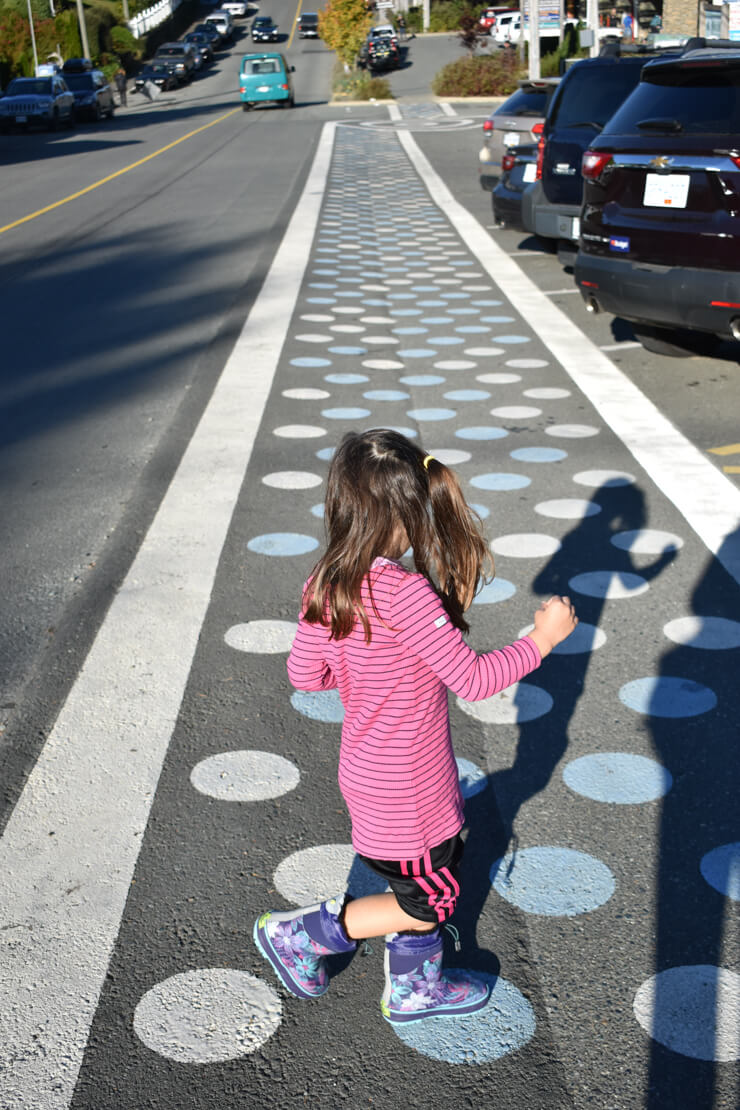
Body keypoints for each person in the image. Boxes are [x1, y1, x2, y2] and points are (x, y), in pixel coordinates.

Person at [253, 429, 577, 1024]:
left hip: (367, 771)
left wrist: (364, 676)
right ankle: (303, 933)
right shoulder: (405, 594)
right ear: (407, 514)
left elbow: (306, 674)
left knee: (411, 881)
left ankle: (415, 988)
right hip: (412, 789)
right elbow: (475, 680)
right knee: (428, 902)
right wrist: (543, 639)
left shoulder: (325, 582)